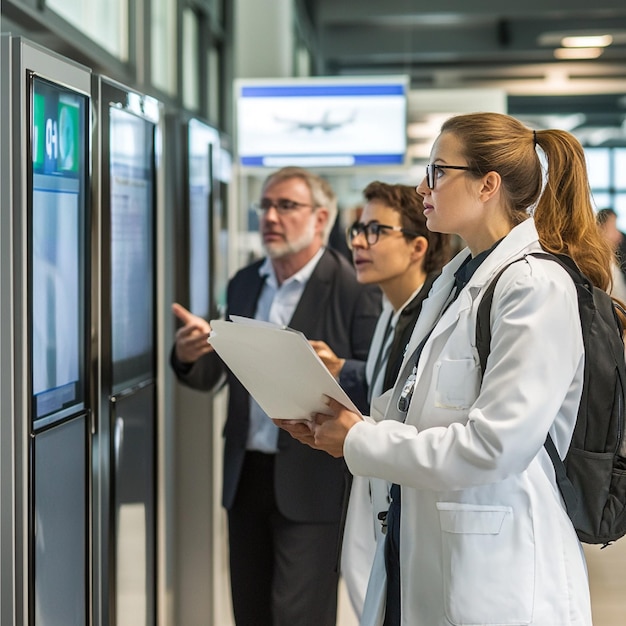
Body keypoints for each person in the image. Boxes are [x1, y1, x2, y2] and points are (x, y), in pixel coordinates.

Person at [278, 112, 617, 625]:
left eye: (437, 171)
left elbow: (493, 447)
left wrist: (359, 441)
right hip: (424, 552)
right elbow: (417, 407)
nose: (422, 188)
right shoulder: (457, 278)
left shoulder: (533, 286)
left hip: (498, 572)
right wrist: (336, 421)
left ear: (488, 185)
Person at [169, 166, 381, 626]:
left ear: (321, 218)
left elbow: (377, 384)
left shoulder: (352, 288)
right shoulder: (246, 282)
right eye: (265, 205)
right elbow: (217, 374)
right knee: (250, 612)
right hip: (246, 477)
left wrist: (336, 372)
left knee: (299, 616)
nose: (271, 216)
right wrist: (189, 355)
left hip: (312, 482)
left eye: (286, 206)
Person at [309, 181, 450, 616]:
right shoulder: (394, 312)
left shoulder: (428, 320)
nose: (358, 242)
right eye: (356, 230)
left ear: (416, 247)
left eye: (375, 230)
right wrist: (343, 369)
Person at [596, 207, 626, 302]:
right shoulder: (598, 265)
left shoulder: (612, 260)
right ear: (600, 230)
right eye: (613, 228)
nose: (618, 235)